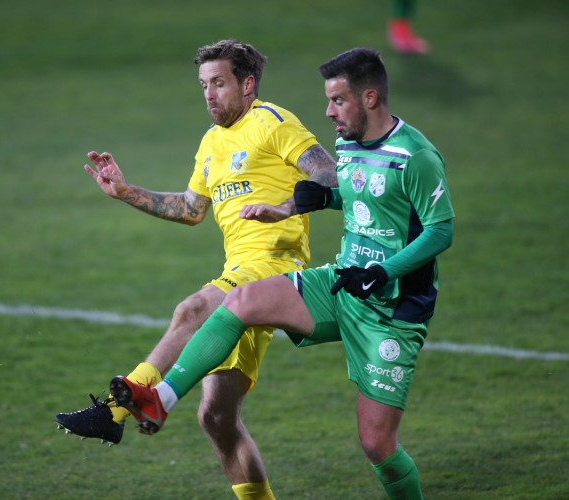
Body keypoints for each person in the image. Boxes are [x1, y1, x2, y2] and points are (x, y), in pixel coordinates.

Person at [110, 47, 454, 499]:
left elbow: (440, 231)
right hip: (343, 284)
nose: (328, 111)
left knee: (377, 445)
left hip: (392, 308)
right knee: (240, 302)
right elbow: (356, 195)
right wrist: (300, 204)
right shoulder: (349, 143)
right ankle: (160, 399)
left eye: (337, 100)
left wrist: (383, 271)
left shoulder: (416, 155)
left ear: (369, 98)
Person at [55, 39, 337, 500]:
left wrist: (287, 206)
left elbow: (327, 172)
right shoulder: (211, 142)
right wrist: (125, 191)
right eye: (204, 85)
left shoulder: (272, 121)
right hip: (240, 272)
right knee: (217, 418)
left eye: (219, 83)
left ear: (248, 84)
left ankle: (115, 412)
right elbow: (190, 209)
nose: (209, 94)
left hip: (273, 268)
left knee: (193, 309)